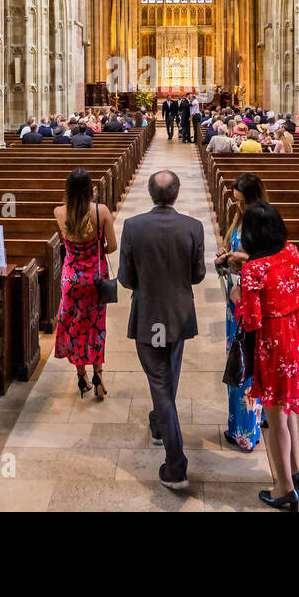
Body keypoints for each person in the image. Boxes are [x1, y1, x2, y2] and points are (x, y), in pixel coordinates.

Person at [117, 171, 205, 490]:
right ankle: (158, 423)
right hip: (178, 316)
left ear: (150, 193)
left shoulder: (133, 226)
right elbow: (197, 275)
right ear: (177, 194)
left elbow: (125, 278)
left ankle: (176, 464)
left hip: (149, 315)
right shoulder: (193, 227)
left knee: (160, 381)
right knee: (166, 377)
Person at [230, 202, 299, 510]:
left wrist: (237, 297)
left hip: (274, 343)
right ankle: (296, 472)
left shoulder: (253, 269)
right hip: (298, 332)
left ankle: (283, 490)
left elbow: (252, 320)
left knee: (275, 417)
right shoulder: (292, 251)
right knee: (288, 410)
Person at [54, 168, 117, 399]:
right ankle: (98, 375)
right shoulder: (100, 212)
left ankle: (82, 378)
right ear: (90, 189)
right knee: (96, 326)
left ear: (68, 190)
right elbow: (112, 246)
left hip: (71, 279)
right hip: (95, 279)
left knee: (75, 326)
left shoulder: (59, 212)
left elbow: (66, 241)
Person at [214, 174, 266, 452]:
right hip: (236, 301)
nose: (240, 207)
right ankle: (245, 422)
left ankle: (245, 432)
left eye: (243, 202)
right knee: (239, 362)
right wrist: (227, 254)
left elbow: (266, 260)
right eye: (237, 202)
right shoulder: (242, 219)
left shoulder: (262, 222)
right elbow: (239, 248)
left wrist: (240, 259)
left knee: (245, 364)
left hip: (250, 301)